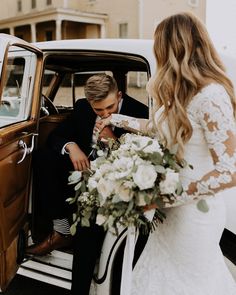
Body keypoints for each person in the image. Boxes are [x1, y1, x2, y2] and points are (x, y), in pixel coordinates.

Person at [98, 12, 236, 294]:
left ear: (174, 47)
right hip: (169, 215)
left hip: (195, 217)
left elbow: (229, 171)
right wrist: (115, 120)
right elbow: (156, 128)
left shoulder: (211, 95)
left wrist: (166, 196)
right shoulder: (181, 94)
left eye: (159, 46)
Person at [26, 74, 149, 293]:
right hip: (81, 175)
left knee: (87, 226)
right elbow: (57, 136)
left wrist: (113, 140)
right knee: (44, 157)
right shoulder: (83, 107)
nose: (105, 114)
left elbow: (140, 165)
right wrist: (72, 146)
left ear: (119, 95)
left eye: (110, 107)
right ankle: (61, 229)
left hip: (112, 187)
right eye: (98, 110)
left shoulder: (140, 112)